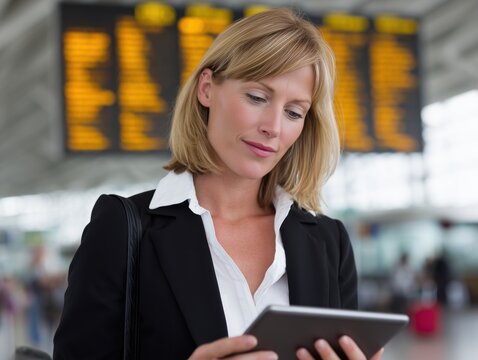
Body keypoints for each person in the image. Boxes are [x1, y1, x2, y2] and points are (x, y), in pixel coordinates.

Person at [53, 8, 384, 360]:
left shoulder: (328, 242)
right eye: (257, 98)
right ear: (207, 88)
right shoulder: (124, 229)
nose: (273, 126)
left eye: (294, 112)